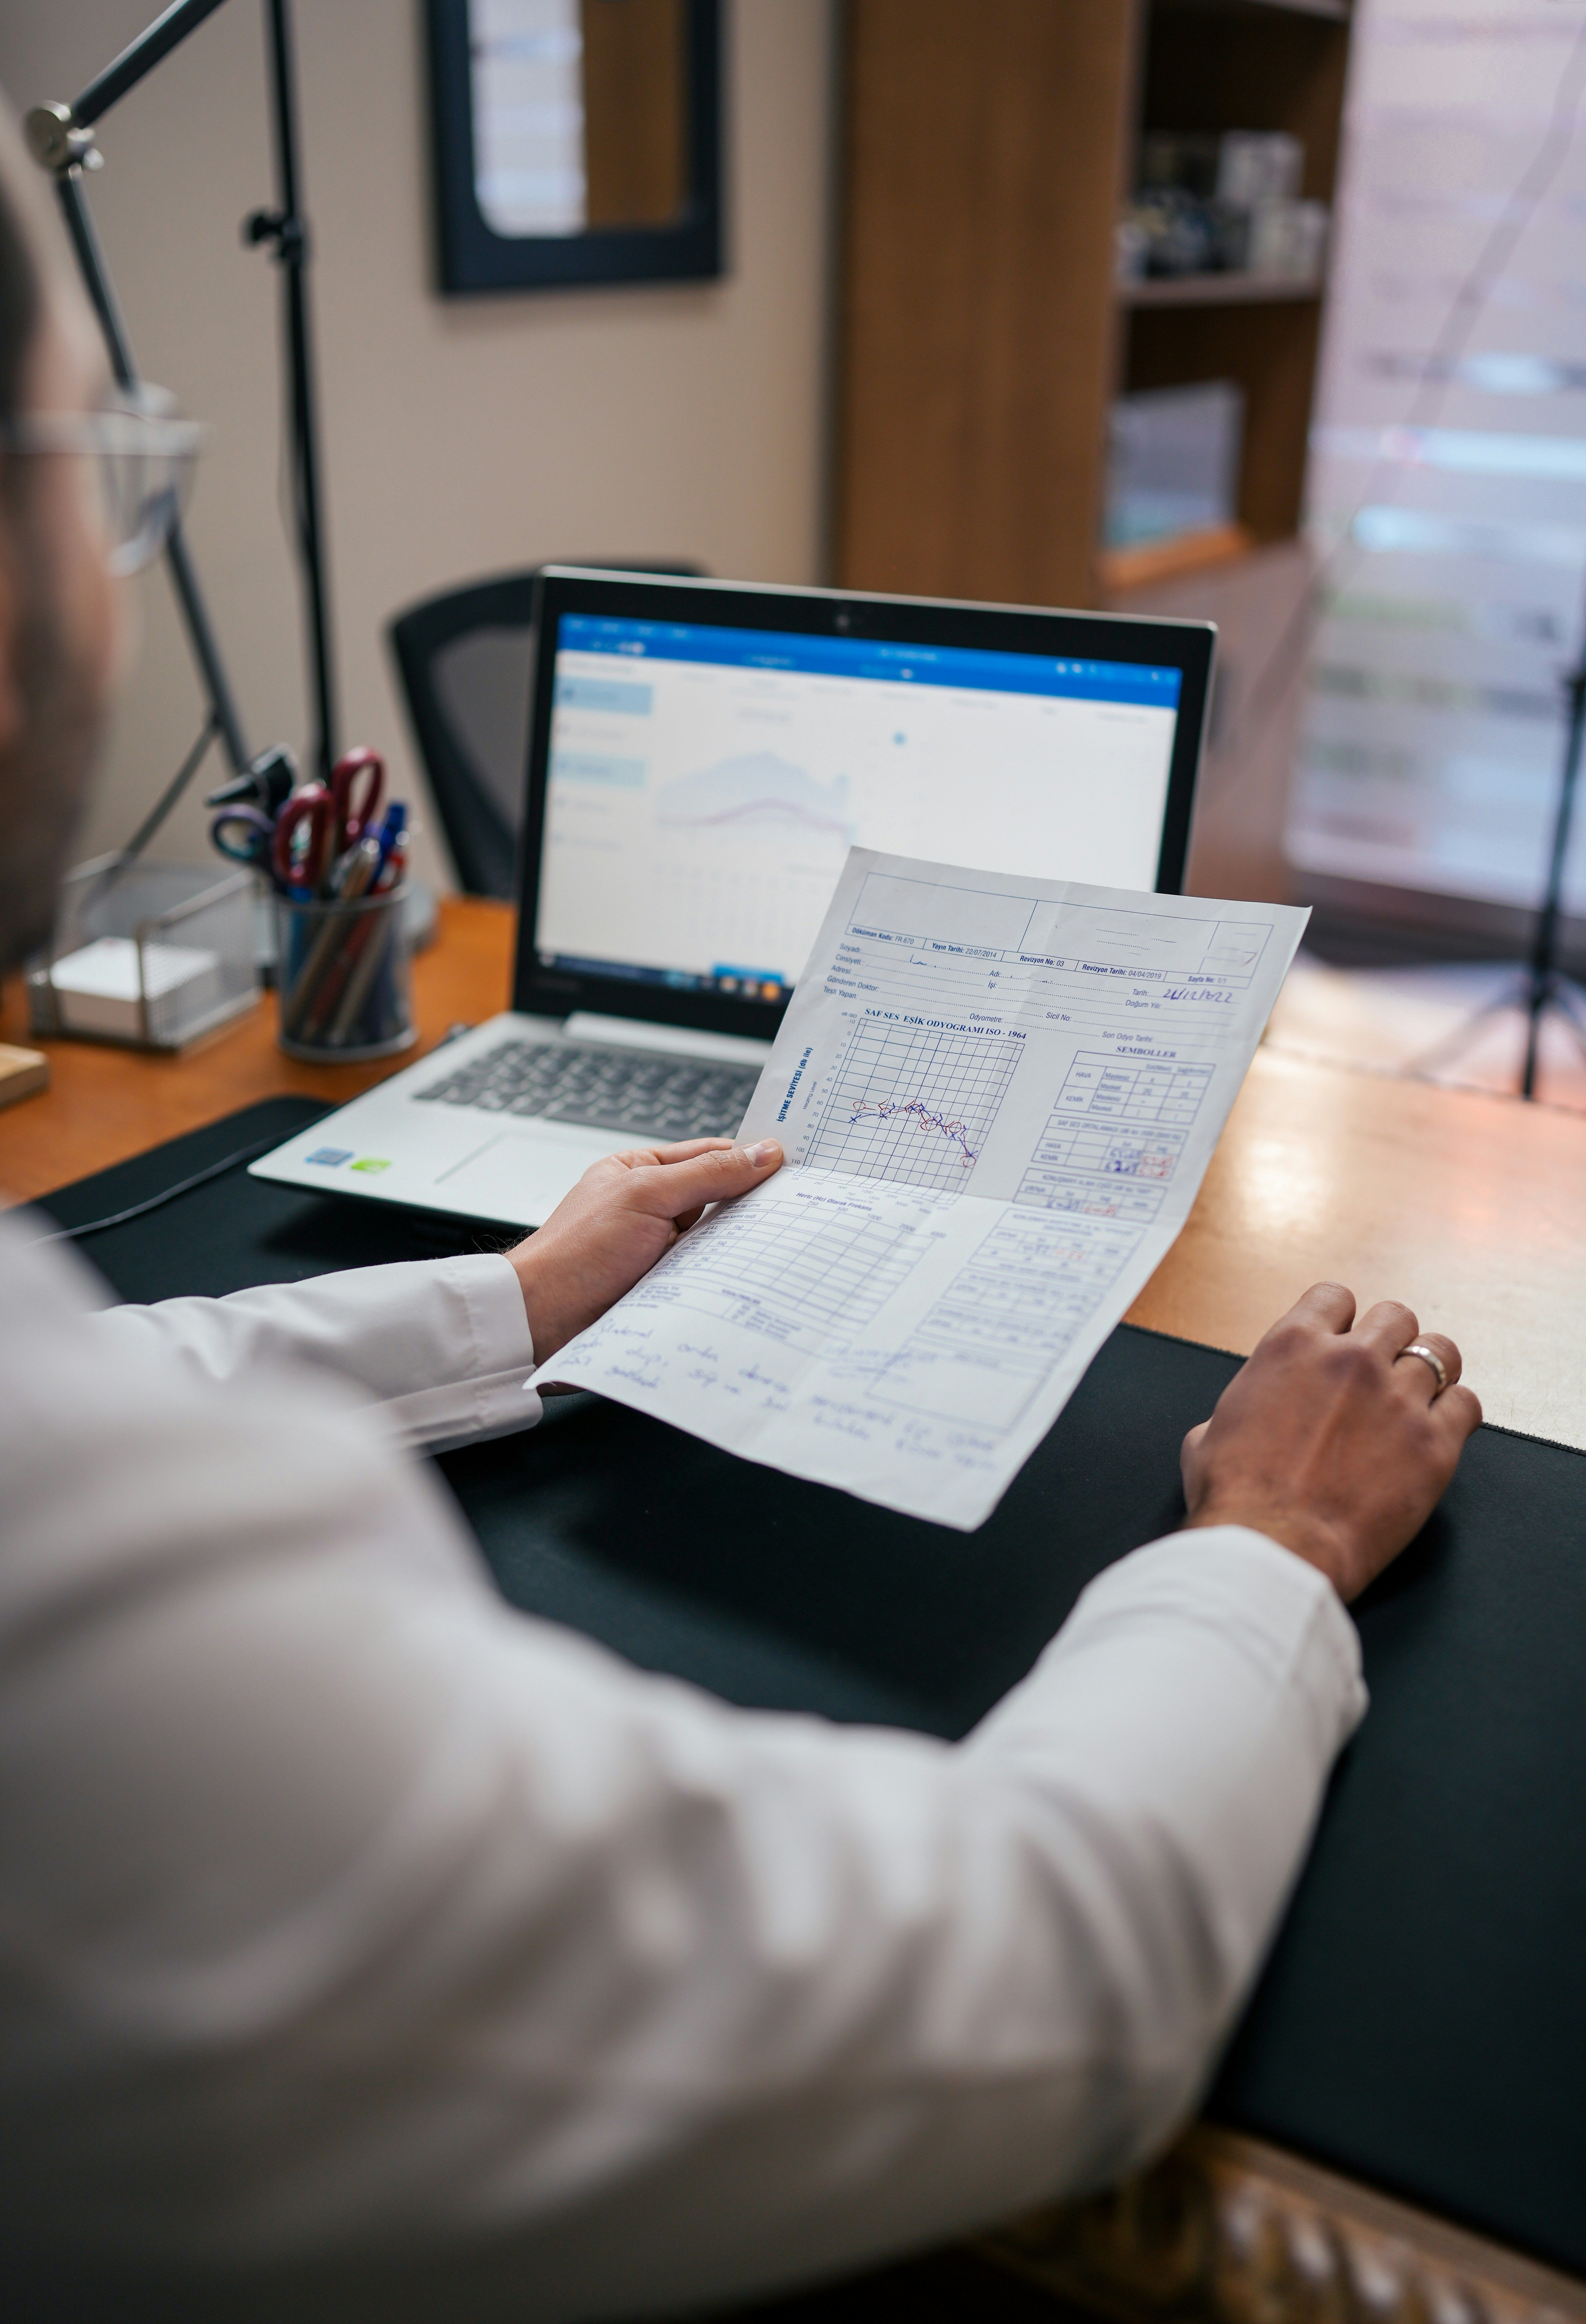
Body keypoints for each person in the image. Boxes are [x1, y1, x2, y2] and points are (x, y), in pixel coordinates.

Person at [0, 107, 1481, 2323]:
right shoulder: (111, 1636)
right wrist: (1271, 1543)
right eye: (101, 470)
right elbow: (1029, 1988)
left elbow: (95, 1379)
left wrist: (517, 1299)